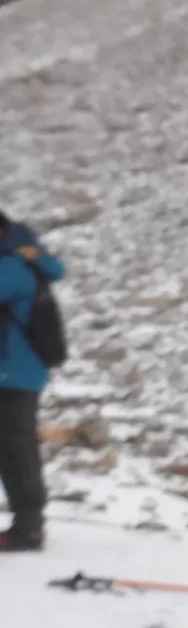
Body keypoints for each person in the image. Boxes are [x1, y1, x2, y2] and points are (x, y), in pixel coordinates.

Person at [0, 210, 67, 553]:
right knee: (14, 448)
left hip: (14, 374)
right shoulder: (22, 260)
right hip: (16, 373)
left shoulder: (12, 268)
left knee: (15, 448)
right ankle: (27, 524)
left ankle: (29, 527)